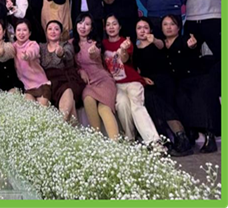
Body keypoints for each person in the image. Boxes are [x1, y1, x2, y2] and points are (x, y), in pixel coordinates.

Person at [134, 19, 193, 156]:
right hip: (148, 83)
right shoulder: (135, 49)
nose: (142, 30)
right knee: (151, 100)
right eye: (139, 28)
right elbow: (136, 69)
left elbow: (161, 45)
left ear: (151, 30)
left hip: (164, 80)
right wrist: (142, 78)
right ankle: (164, 139)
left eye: (145, 27)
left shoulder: (157, 42)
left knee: (162, 103)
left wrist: (154, 40)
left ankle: (181, 138)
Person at [162, 15, 219, 153]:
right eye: (165, 24)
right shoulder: (161, 44)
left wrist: (192, 46)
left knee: (199, 96)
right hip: (178, 82)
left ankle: (209, 138)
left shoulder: (185, 40)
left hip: (195, 78)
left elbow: (191, 46)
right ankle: (188, 135)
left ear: (178, 27)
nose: (169, 27)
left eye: (172, 24)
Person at [102, 14, 161, 145]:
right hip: (116, 84)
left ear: (120, 27)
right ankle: (130, 139)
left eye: (114, 24)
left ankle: (154, 141)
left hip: (132, 81)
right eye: (108, 24)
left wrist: (123, 50)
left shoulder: (126, 42)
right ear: (105, 28)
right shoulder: (103, 44)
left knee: (136, 105)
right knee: (122, 104)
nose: (111, 27)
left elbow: (124, 59)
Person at [72, 13, 119, 140]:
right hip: (89, 83)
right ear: (76, 25)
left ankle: (116, 143)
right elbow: (72, 64)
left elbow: (95, 54)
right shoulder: (71, 44)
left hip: (103, 80)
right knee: (87, 98)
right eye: (80, 23)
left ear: (91, 28)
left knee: (104, 109)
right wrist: (80, 70)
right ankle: (96, 139)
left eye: (87, 24)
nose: (83, 27)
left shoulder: (95, 44)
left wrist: (92, 53)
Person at [0, 19, 51, 106]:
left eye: (25, 30)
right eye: (18, 30)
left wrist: (27, 55)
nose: (21, 33)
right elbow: (7, 50)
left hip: (41, 84)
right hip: (26, 87)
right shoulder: (13, 46)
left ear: (29, 33)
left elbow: (33, 52)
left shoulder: (33, 44)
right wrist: (1, 52)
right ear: (15, 33)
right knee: (30, 108)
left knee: (43, 108)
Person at [40, 21, 85, 121]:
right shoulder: (41, 47)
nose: (53, 31)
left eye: (56, 29)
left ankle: (62, 124)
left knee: (68, 95)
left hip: (64, 80)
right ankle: (71, 129)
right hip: (48, 83)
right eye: (50, 29)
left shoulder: (66, 45)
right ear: (46, 32)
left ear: (60, 33)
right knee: (71, 109)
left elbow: (68, 54)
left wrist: (61, 53)